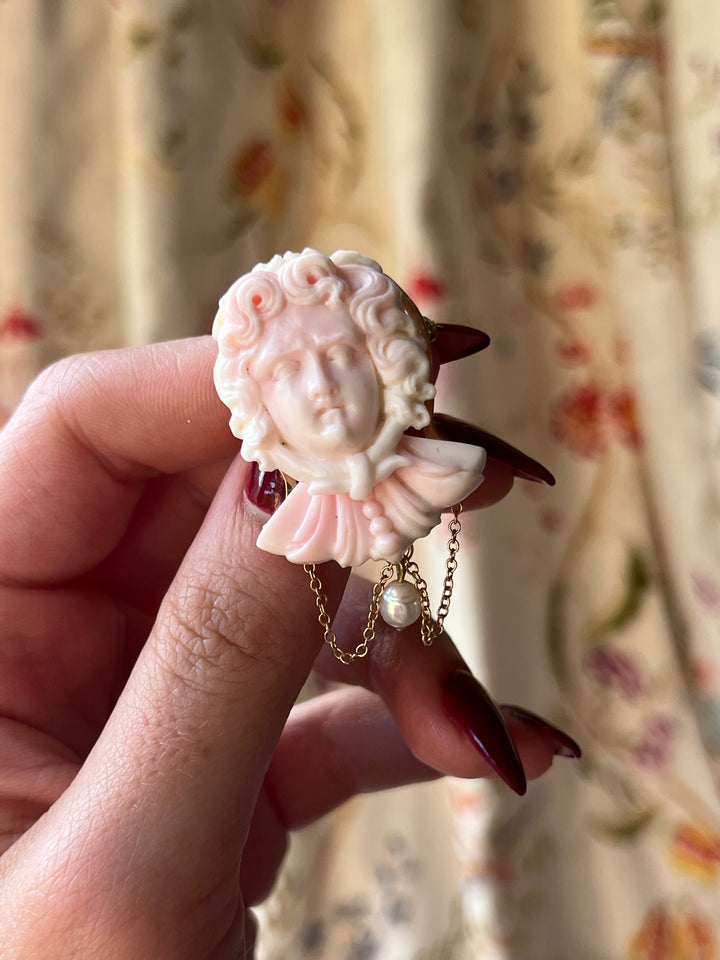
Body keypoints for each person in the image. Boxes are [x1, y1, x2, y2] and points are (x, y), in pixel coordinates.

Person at [0, 336, 578, 957]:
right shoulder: (303, 508)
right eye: (290, 368)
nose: (322, 386)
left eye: (342, 359)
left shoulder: (423, 471)